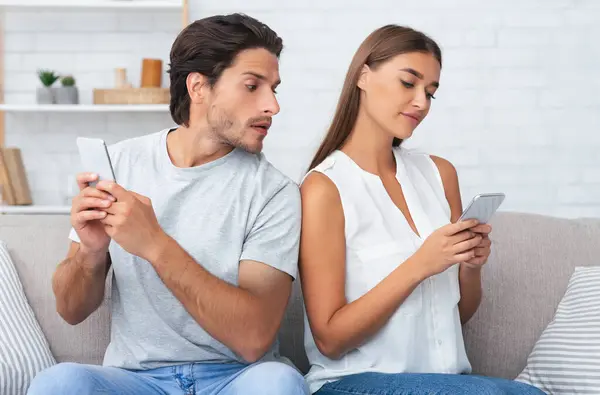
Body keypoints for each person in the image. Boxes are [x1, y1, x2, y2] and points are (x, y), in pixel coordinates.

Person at [27, 13, 308, 395]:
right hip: (135, 380)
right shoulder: (119, 164)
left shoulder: (275, 192)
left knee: (279, 383)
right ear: (198, 87)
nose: (272, 105)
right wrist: (90, 255)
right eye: (252, 86)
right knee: (57, 383)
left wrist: (155, 244)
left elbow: (253, 336)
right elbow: (71, 311)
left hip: (235, 378)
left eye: (273, 88)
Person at [299, 25, 545, 395]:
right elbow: (331, 339)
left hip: (447, 382)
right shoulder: (324, 188)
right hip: (354, 382)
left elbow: (457, 316)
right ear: (363, 76)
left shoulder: (439, 174)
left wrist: (470, 267)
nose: (421, 103)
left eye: (430, 93)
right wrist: (420, 264)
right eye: (408, 83)